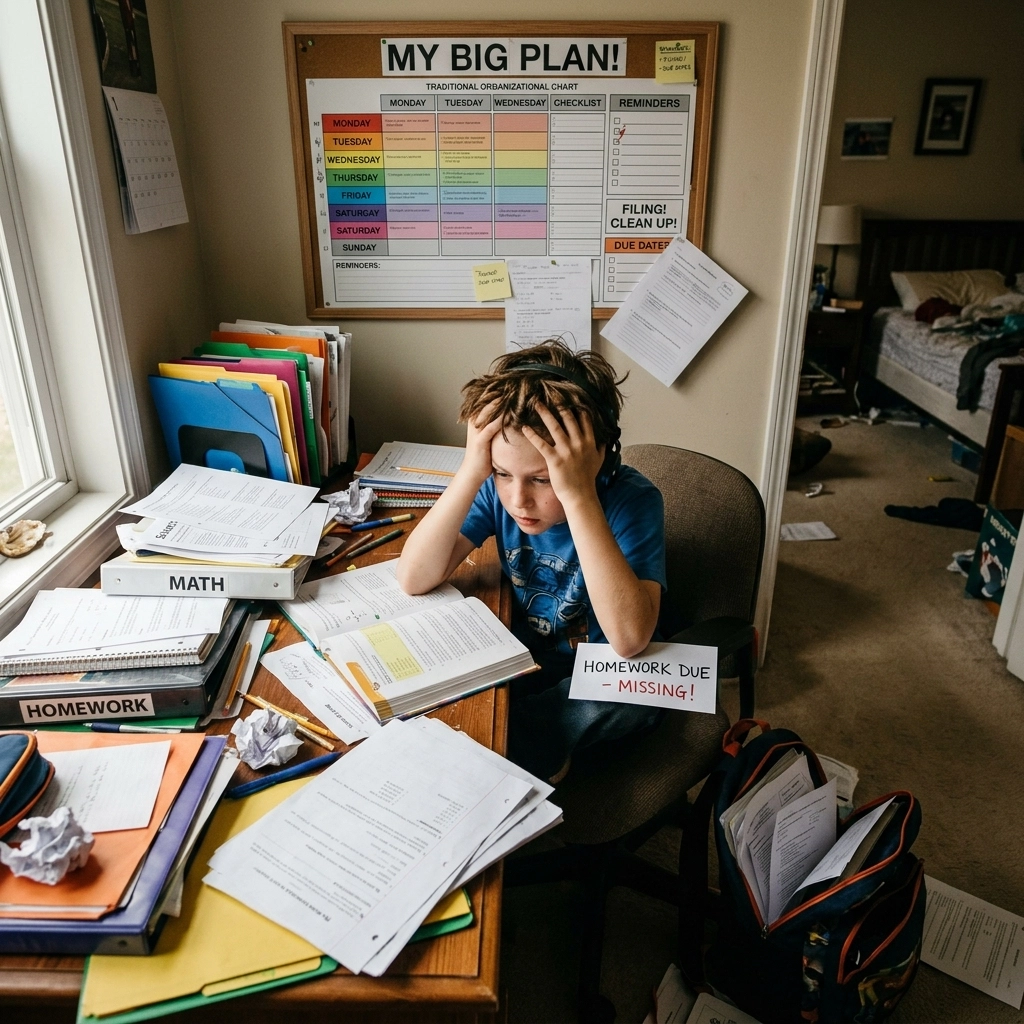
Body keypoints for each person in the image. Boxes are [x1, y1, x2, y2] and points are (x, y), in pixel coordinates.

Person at [397, 340, 667, 781]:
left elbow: (630, 639)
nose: (519, 499)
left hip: (604, 669)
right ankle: (527, 738)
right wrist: (472, 471)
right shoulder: (497, 492)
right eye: (503, 473)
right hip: (525, 656)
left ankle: (518, 744)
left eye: (542, 479)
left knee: (638, 699)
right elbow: (413, 577)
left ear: (600, 457)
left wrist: (578, 494)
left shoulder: (632, 502)